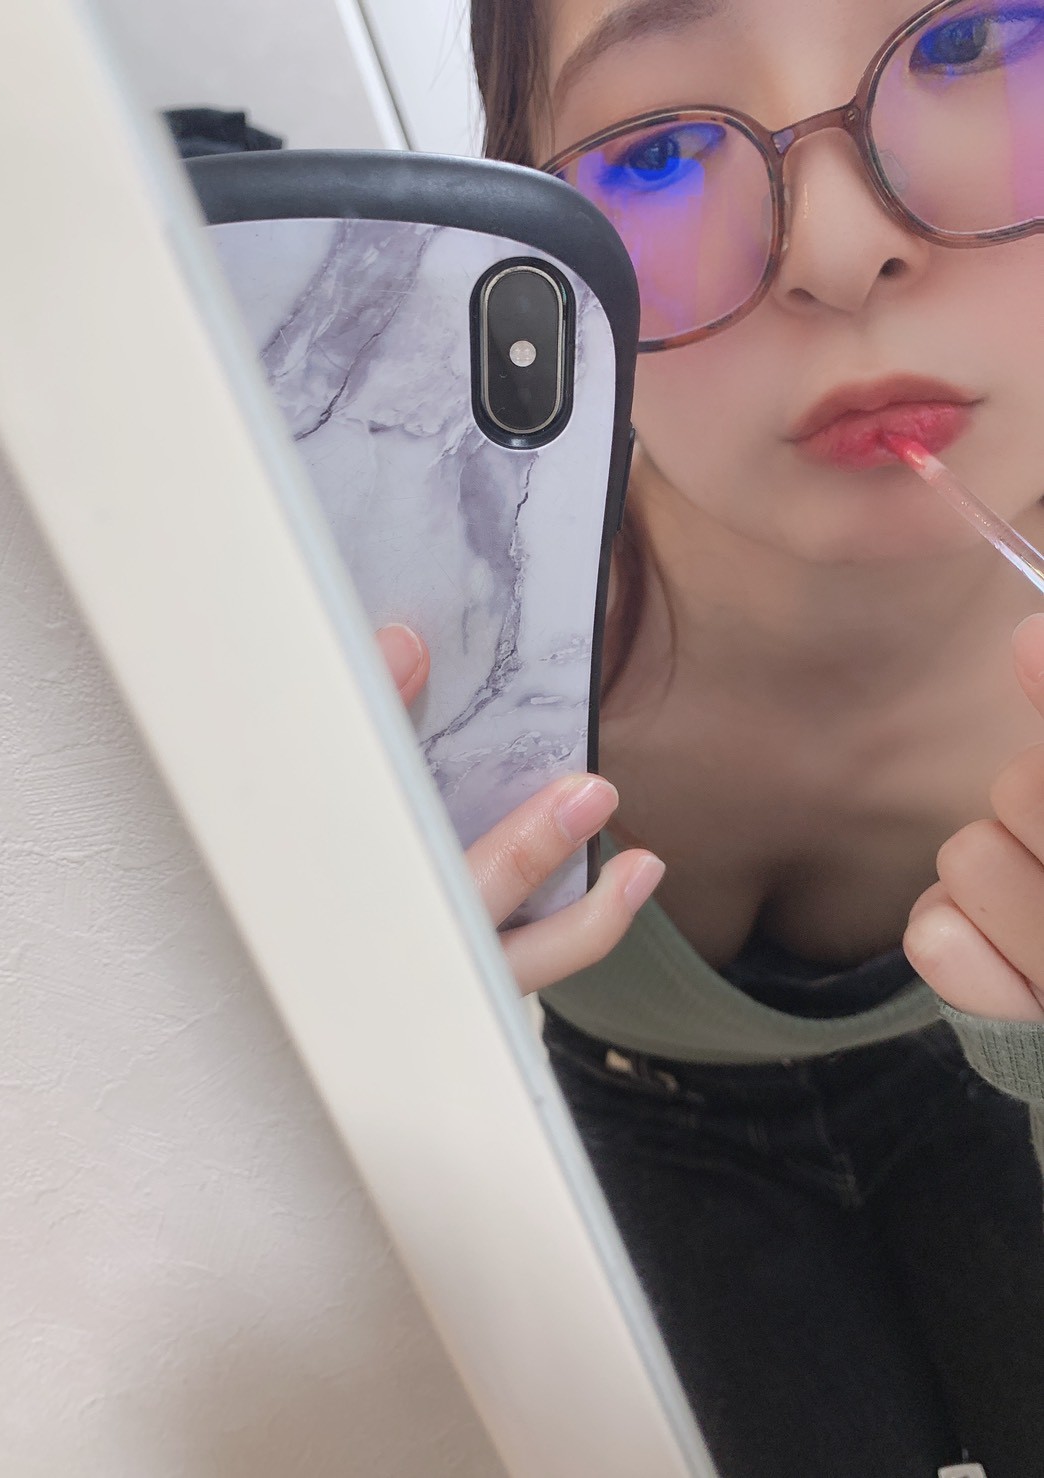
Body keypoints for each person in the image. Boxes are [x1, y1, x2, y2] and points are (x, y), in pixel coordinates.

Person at [379, 2, 1044, 1473]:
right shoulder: (461, 582)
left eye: (965, 46)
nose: (838, 248)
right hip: (640, 1128)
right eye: (662, 149)